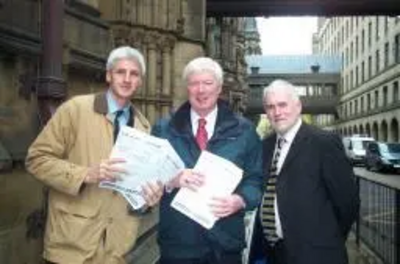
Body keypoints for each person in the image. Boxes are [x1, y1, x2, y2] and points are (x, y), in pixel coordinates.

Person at [25, 46, 163, 264]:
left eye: (134, 74)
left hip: (116, 251)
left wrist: (147, 201)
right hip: (72, 247)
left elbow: (132, 191)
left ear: (140, 81)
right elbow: (37, 159)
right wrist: (86, 174)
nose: (127, 79)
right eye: (120, 72)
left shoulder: (143, 127)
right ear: (109, 75)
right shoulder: (76, 109)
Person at [152, 57, 264, 264]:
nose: (201, 90)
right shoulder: (164, 130)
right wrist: (173, 179)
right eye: (194, 83)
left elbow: (256, 180)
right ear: (187, 88)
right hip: (179, 245)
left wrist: (240, 200)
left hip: (225, 244)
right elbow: (149, 176)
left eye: (207, 83)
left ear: (219, 88)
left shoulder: (245, 131)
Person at [248, 79, 360, 264]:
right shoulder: (265, 146)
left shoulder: (324, 143)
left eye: (283, 105)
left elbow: (348, 203)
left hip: (316, 255)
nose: (277, 112)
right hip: (274, 253)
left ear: (298, 106)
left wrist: (328, 241)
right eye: (270, 107)